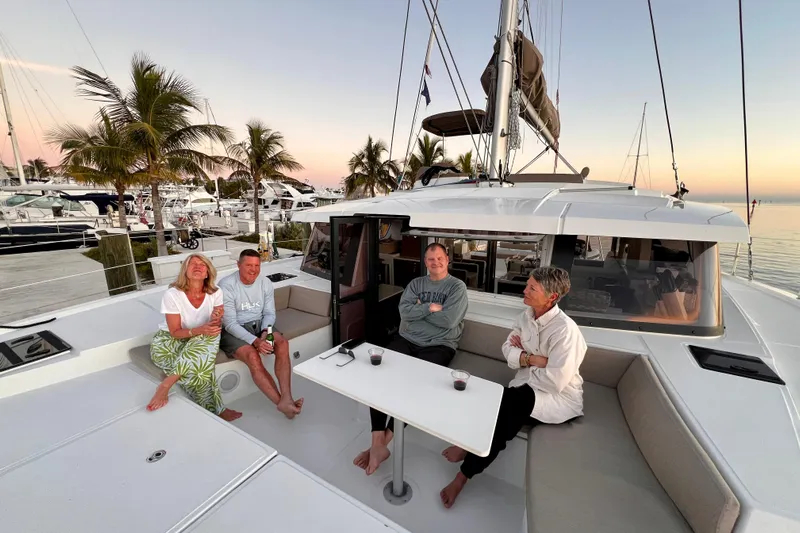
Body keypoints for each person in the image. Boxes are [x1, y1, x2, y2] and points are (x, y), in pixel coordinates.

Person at [439, 266, 587, 508]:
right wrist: (533, 359)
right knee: (501, 400)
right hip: (526, 385)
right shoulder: (526, 317)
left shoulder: (565, 331)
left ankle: (463, 475)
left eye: (532, 288)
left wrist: (523, 359)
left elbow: (556, 381)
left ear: (551, 297)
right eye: (527, 285)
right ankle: (469, 451)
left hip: (558, 398)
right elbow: (507, 350)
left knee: (508, 405)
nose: (524, 290)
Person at [353, 242, 468, 475]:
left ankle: (380, 445)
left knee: (415, 386)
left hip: (439, 345)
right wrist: (431, 308)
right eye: (430, 259)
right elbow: (404, 312)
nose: (435, 262)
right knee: (379, 375)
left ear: (447, 259)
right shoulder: (416, 284)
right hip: (407, 339)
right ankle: (377, 442)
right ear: (425, 262)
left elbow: (449, 321)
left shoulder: (457, 287)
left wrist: (420, 310)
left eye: (439, 258)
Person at [147, 253, 242, 422]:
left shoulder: (216, 292)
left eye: (202, 264)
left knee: (210, 337)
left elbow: (215, 324)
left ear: (207, 272)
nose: (198, 266)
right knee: (200, 366)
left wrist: (216, 318)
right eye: (193, 264)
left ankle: (168, 385)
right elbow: (175, 331)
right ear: (185, 271)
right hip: (170, 341)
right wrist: (200, 330)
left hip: (202, 338)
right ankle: (216, 409)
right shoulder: (173, 294)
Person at [218, 249, 303, 419]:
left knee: (282, 343)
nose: (253, 270)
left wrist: (265, 332)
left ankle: (287, 397)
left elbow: (269, 313)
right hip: (234, 330)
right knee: (252, 356)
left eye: (257, 265)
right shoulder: (226, 285)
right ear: (238, 265)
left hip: (260, 325)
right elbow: (230, 324)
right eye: (249, 265)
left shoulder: (265, 283)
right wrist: (256, 341)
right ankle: (283, 404)